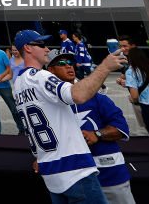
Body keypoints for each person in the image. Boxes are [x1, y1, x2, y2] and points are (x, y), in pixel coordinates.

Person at [12, 29, 126, 204]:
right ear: (27, 48)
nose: (47, 49)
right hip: (74, 169)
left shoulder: (18, 84)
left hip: (51, 171)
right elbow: (77, 95)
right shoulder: (40, 76)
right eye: (41, 45)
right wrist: (105, 67)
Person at [48, 53, 135, 204]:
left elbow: (121, 129)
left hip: (110, 174)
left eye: (70, 62)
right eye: (61, 63)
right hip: (72, 177)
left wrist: (97, 134)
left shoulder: (97, 97)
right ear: (50, 70)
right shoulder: (48, 104)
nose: (69, 66)